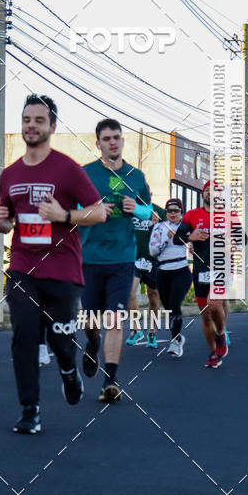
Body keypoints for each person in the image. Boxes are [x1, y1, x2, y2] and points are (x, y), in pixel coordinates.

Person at [0, 94, 106, 434]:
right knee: (24, 336)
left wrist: (64, 215)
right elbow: (9, 221)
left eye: (39, 120)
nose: (32, 125)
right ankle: (30, 410)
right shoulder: (9, 175)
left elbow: (98, 211)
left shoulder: (67, 168)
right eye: (27, 120)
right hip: (24, 267)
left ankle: (69, 370)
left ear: (52, 126)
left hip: (63, 269)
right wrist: (1, 223)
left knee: (60, 341)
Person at [79, 118, 152, 402]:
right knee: (92, 320)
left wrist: (138, 210)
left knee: (115, 319)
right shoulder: (85, 175)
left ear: (122, 141)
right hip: (91, 257)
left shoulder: (136, 177)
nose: (112, 142)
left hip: (123, 258)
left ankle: (110, 381)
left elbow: (149, 213)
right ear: (98, 144)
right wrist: (93, 210)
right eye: (107, 138)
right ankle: (92, 343)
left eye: (117, 137)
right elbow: (71, 211)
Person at [173, 180, 243, 369]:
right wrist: (190, 237)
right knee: (205, 316)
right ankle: (213, 353)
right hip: (201, 270)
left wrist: (233, 244)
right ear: (203, 194)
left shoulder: (230, 215)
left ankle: (220, 334)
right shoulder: (192, 215)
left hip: (223, 267)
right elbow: (176, 238)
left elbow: (242, 238)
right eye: (207, 190)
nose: (211, 193)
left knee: (215, 303)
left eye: (216, 191)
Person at [149, 198, 191, 357]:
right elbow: (152, 251)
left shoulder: (185, 227)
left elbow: (193, 243)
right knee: (168, 309)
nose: (173, 213)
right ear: (165, 213)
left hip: (181, 270)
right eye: (169, 210)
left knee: (174, 303)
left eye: (176, 210)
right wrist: (167, 238)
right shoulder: (159, 227)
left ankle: (174, 341)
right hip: (163, 271)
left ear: (181, 212)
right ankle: (178, 337)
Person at [127, 197, 165, 348]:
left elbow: (172, 228)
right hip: (133, 259)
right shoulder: (129, 209)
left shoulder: (158, 210)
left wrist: (159, 225)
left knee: (154, 298)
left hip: (153, 261)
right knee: (130, 293)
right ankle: (136, 329)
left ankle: (152, 331)